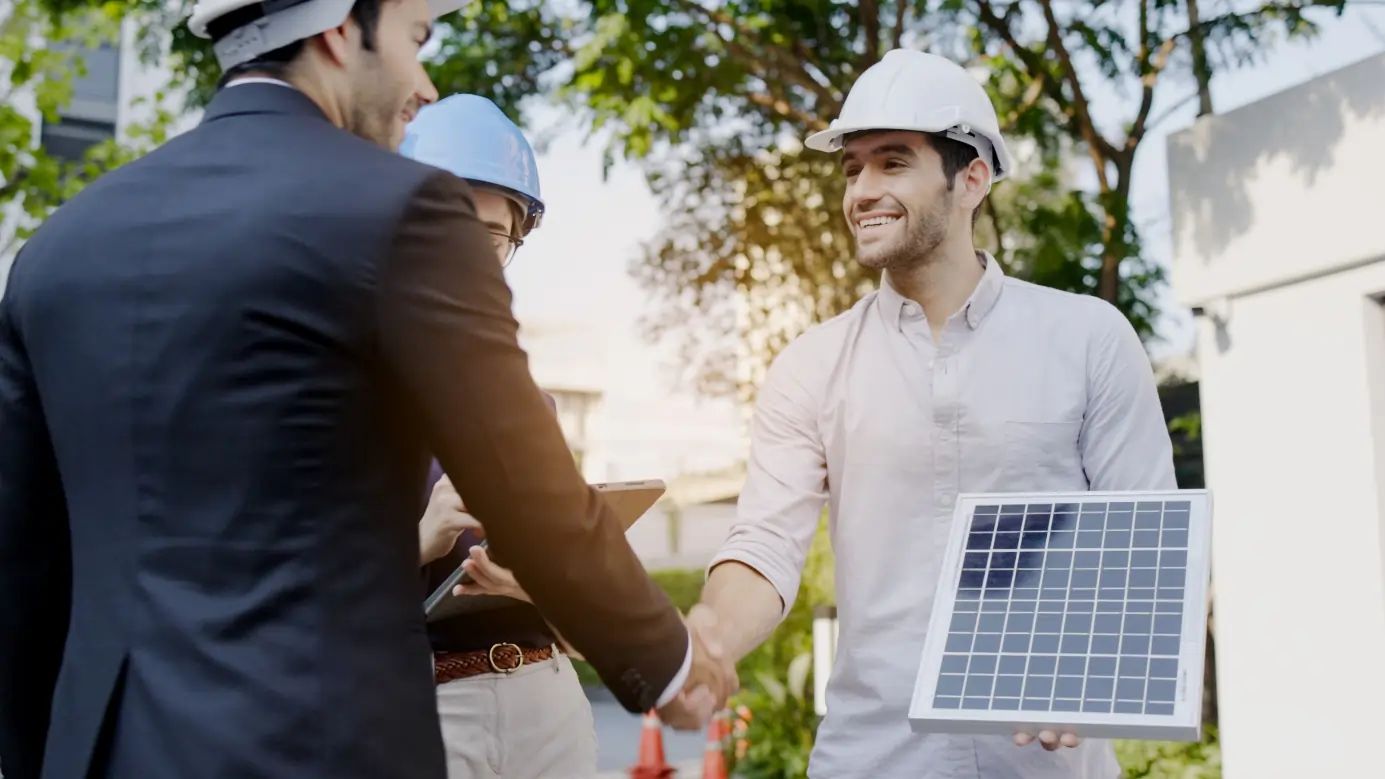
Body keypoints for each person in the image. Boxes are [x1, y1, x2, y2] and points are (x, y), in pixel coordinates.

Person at [0, 1, 731, 778]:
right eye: (415, 40)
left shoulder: (56, 248)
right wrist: (674, 663)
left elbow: (23, 559)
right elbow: (528, 487)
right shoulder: (401, 210)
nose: (421, 85)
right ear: (337, 29)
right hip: (315, 746)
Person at [685, 49, 1176, 778]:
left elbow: (1147, 540)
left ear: (970, 176)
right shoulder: (810, 365)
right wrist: (708, 638)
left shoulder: (1088, 339)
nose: (860, 191)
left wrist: (1091, 657)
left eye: (891, 163)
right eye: (851, 168)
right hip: (870, 757)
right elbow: (765, 545)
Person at [400, 93, 600, 778]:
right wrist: (420, 537)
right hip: (424, 711)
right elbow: (294, 605)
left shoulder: (529, 407)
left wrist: (538, 586)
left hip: (550, 706)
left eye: (492, 235)